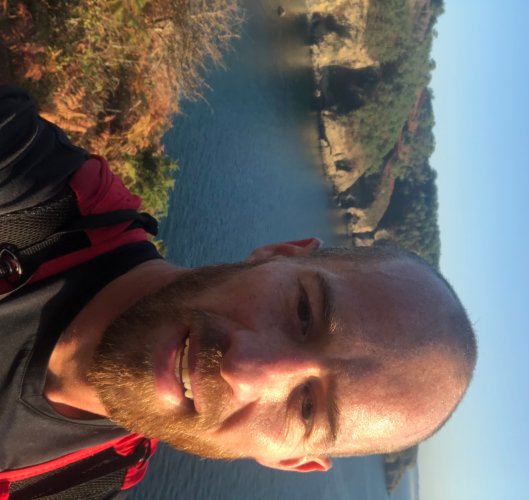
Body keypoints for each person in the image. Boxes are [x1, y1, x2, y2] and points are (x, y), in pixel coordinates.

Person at [0, 86, 477, 496]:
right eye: (303, 311)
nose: (243, 370)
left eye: (307, 407)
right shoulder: (37, 192)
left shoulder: (85, 481)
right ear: (278, 254)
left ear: (290, 460)